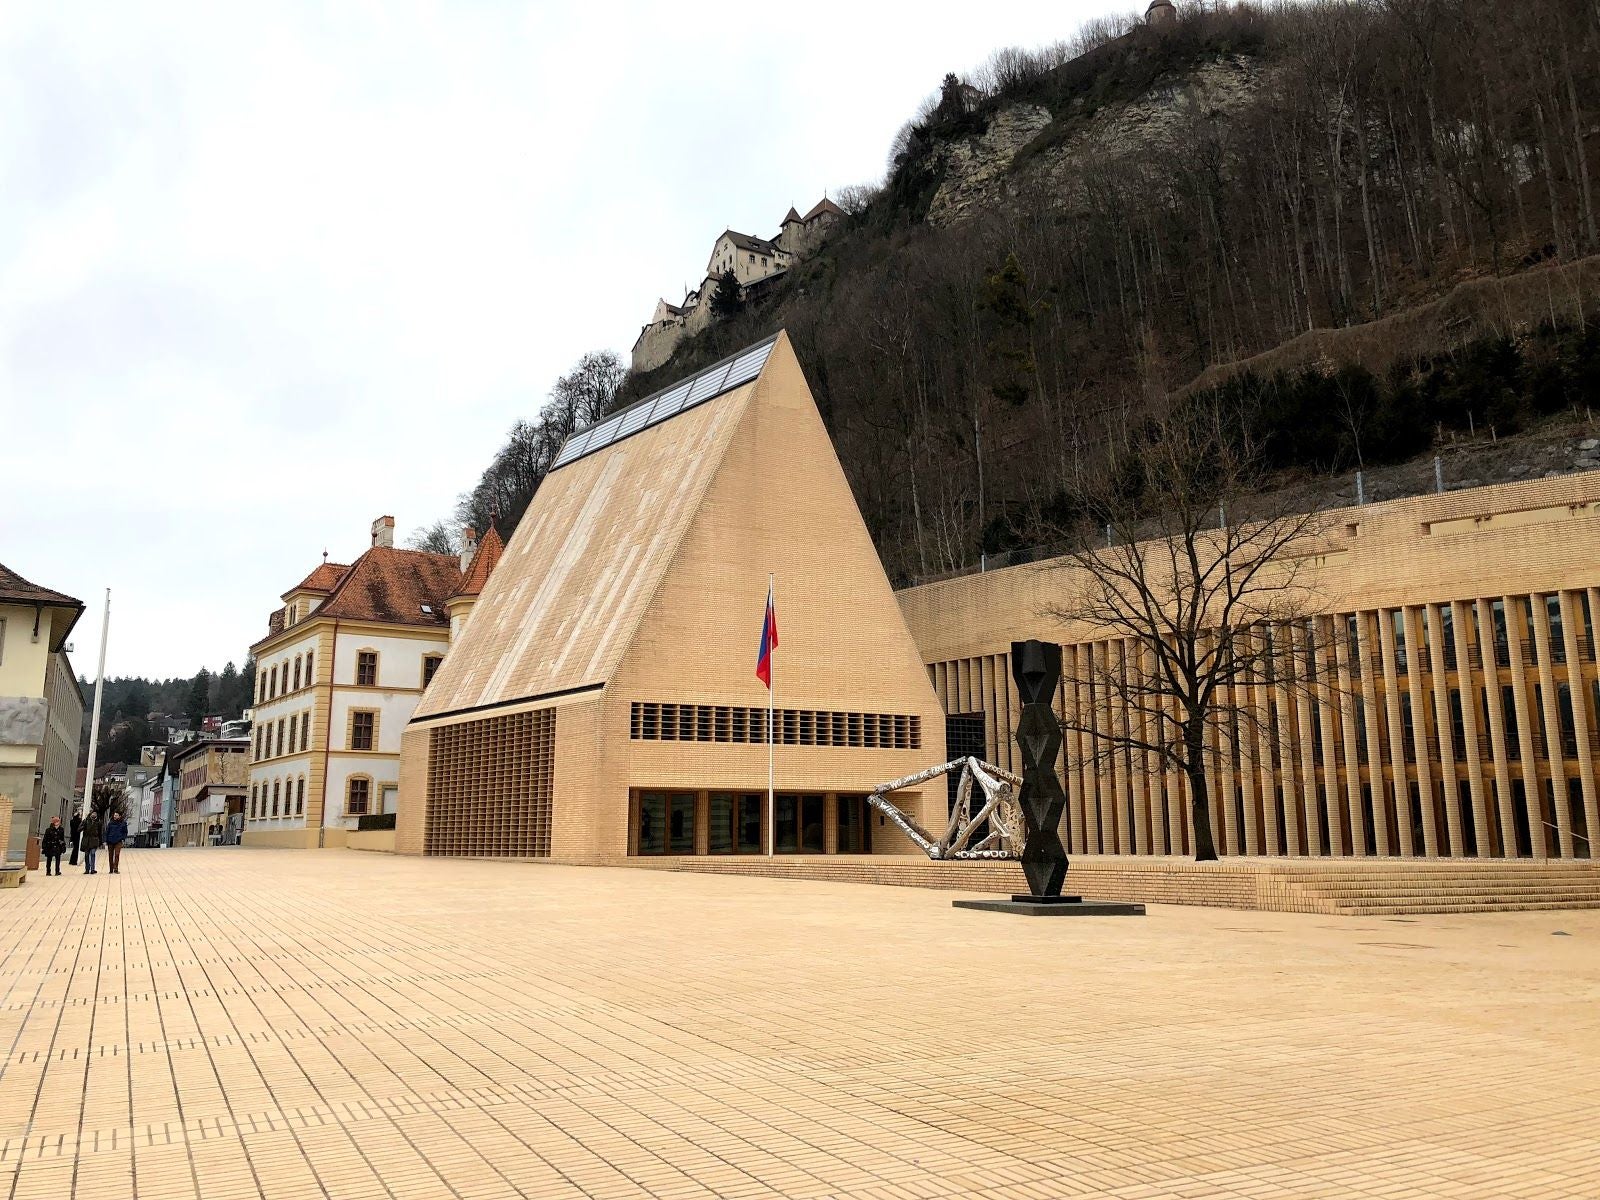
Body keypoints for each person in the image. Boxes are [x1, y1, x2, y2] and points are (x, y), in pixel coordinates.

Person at [80, 808, 103, 875]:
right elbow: (79, 829)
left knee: (92, 853)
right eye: (93, 813)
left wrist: (100, 842)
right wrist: (83, 826)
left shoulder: (98, 823)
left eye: (95, 813)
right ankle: (87, 869)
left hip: (94, 840)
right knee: (87, 855)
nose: (94, 814)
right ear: (90, 814)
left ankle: (92, 869)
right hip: (86, 840)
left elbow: (100, 833)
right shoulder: (85, 821)